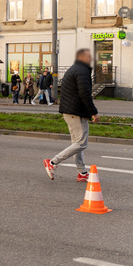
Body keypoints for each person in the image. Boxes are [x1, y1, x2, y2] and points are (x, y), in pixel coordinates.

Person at [43, 49, 99, 182]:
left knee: (76, 143)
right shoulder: (82, 71)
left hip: (69, 111)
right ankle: (52, 162)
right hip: (76, 112)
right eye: (89, 57)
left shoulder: (75, 68)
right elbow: (85, 94)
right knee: (80, 144)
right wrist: (93, 112)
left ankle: (82, 172)